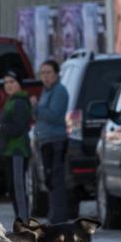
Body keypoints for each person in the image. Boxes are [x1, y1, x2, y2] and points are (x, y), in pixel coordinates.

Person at [0, 69, 32, 224]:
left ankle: (24, 222)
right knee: (12, 187)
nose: (8, 85)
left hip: (17, 151)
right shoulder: (11, 100)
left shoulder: (19, 102)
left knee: (18, 188)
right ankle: (20, 220)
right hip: (9, 151)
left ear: (19, 83)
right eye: (5, 82)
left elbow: (19, 127)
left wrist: (0, 128)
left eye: (12, 82)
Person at [33, 59, 70, 223]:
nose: (45, 76)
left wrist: (36, 108)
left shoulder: (60, 91)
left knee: (56, 179)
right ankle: (54, 215)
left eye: (49, 73)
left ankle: (58, 218)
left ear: (56, 74)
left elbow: (54, 116)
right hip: (45, 141)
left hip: (56, 141)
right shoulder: (45, 91)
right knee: (48, 179)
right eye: (43, 73)